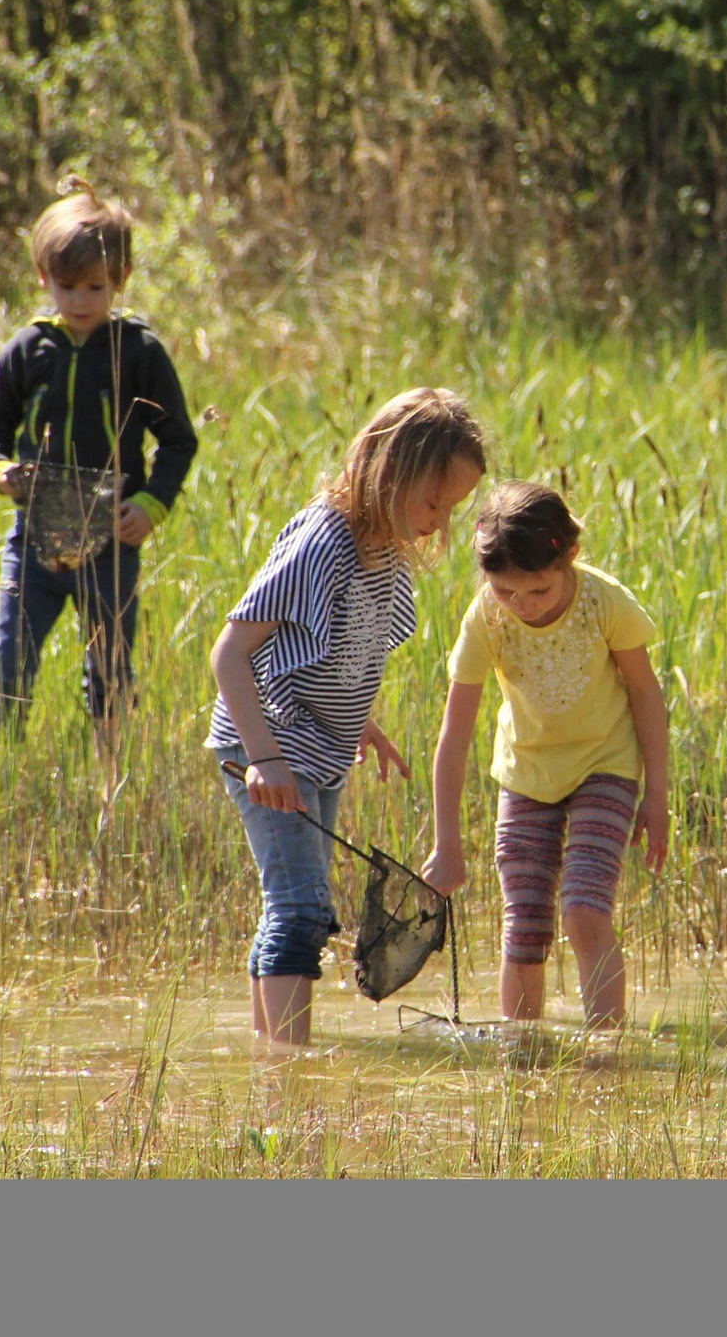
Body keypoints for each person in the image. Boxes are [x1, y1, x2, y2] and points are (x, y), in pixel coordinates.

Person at [207, 388, 486, 1049]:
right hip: (270, 745)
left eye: (452, 508)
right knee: (303, 908)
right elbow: (231, 653)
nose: (439, 522)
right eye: (433, 502)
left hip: (318, 747)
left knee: (292, 904)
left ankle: (269, 1053)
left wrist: (358, 721)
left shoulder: (384, 547)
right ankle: (288, 1069)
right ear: (391, 473)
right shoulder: (323, 541)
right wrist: (265, 758)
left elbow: (324, 648)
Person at [424, 482, 672, 1031]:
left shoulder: (604, 603)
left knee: (584, 910)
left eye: (538, 590)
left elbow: (645, 694)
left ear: (570, 556)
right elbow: (455, 736)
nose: (523, 606)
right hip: (527, 774)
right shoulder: (486, 619)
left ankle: (607, 1050)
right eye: (505, 591)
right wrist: (447, 843)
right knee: (525, 926)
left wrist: (656, 795)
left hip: (605, 765)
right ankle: (524, 1052)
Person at [0, 178, 197, 765]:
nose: (80, 301)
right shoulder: (27, 350)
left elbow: (178, 440)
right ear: (43, 278)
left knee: (110, 666)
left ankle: (110, 785)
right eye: (67, 286)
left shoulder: (138, 351)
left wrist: (150, 504)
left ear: (121, 280)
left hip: (112, 541)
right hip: (34, 538)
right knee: (9, 659)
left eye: (96, 287)